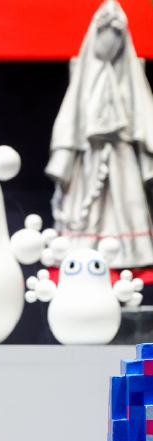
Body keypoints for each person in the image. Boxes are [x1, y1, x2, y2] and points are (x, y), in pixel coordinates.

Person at [45, 0, 153, 269]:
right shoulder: (84, 73)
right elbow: (73, 114)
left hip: (121, 152)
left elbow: (141, 111)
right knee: (86, 202)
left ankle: (130, 250)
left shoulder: (130, 73)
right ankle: (83, 247)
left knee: (126, 199)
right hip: (89, 152)